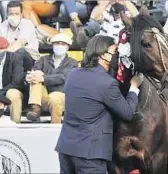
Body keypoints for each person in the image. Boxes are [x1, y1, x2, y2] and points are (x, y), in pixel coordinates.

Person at [55, 35, 143, 173]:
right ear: (104, 56)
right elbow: (128, 113)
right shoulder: (107, 83)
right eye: (115, 53)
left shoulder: (73, 74)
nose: (117, 56)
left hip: (66, 150)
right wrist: (134, 87)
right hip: (90, 155)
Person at [25, 33, 78, 123]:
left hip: (61, 96)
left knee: (54, 96)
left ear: (67, 47)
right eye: (57, 43)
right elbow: (34, 74)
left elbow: (63, 77)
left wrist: (43, 78)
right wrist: (30, 77)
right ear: (53, 45)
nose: (60, 46)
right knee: (35, 78)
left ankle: (55, 127)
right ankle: (35, 109)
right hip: (43, 97)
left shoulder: (72, 63)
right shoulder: (43, 59)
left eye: (63, 44)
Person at [71, 0, 139, 48]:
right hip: (103, 45)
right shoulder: (107, 11)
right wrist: (107, 2)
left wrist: (124, 2)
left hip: (120, 47)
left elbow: (137, 16)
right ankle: (82, 36)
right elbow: (93, 17)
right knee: (93, 24)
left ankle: (83, 38)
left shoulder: (128, 14)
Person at [0, 1, 39, 72]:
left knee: (19, 52)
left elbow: (19, 43)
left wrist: (3, 54)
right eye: (11, 14)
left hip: (28, 58)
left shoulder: (28, 24)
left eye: (16, 14)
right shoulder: (1, 27)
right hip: (7, 58)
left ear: (21, 15)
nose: (14, 16)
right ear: (7, 15)